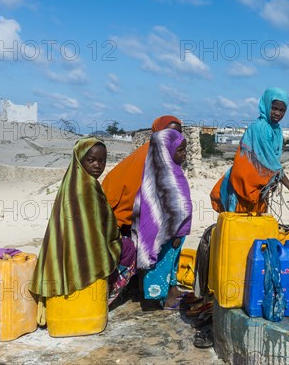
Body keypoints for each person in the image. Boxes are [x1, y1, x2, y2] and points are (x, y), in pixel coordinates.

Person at [30, 138, 121, 312]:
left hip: (59, 256)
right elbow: (104, 228)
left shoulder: (69, 183)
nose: (97, 165)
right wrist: (115, 238)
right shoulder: (89, 186)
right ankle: (109, 296)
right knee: (128, 249)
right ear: (79, 159)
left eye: (102, 161)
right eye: (91, 160)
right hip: (87, 258)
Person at [103, 115, 181, 305]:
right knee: (169, 238)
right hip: (120, 219)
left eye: (177, 133)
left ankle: (162, 286)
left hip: (133, 217)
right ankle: (154, 292)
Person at [210, 87, 289, 213]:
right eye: (275, 108)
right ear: (266, 105)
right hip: (244, 186)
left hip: (260, 187)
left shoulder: (276, 129)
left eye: (282, 110)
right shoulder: (260, 128)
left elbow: (272, 162)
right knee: (241, 226)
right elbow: (271, 163)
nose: (278, 113)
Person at [133, 129, 192, 310]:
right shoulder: (162, 175)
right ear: (165, 151)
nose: (184, 154)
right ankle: (158, 298)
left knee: (171, 264)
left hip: (176, 233)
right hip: (166, 233)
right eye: (180, 150)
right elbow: (169, 207)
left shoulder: (174, 171)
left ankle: (170, 291)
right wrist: (174, 232)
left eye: (185, 149)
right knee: (161, 266)